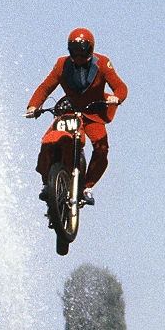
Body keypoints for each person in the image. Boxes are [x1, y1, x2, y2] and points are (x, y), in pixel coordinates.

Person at [25, 28, 128, 205]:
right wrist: (33, 106)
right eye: (74, 52)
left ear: (90, 49)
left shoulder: (103, 63)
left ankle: (87, 186)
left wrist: (116, 98)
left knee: (101, 148)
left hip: (93, 113)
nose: (79, 57)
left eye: (83, 52)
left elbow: (120, 87)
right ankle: (47, 182)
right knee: (48, 141)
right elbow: (45, 87)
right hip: (69, 111)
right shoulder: (61, 65)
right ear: (69, 51)